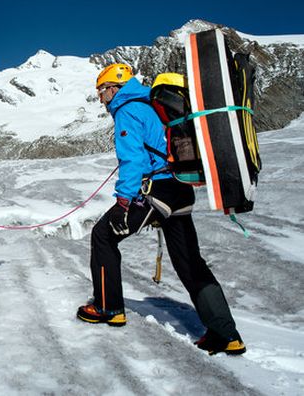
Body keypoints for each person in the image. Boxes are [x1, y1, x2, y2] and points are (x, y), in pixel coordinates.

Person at [76, 63, 246, 356]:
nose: (100, 99)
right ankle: (226, 334)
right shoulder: (151, 104)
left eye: (101, 92)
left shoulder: (128, 110)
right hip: (179, 190)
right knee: (190, 262)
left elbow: (134, 162)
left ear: (113, 88)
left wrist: (123, 202)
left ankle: (108, 307)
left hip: (155, 191)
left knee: (103, 235)